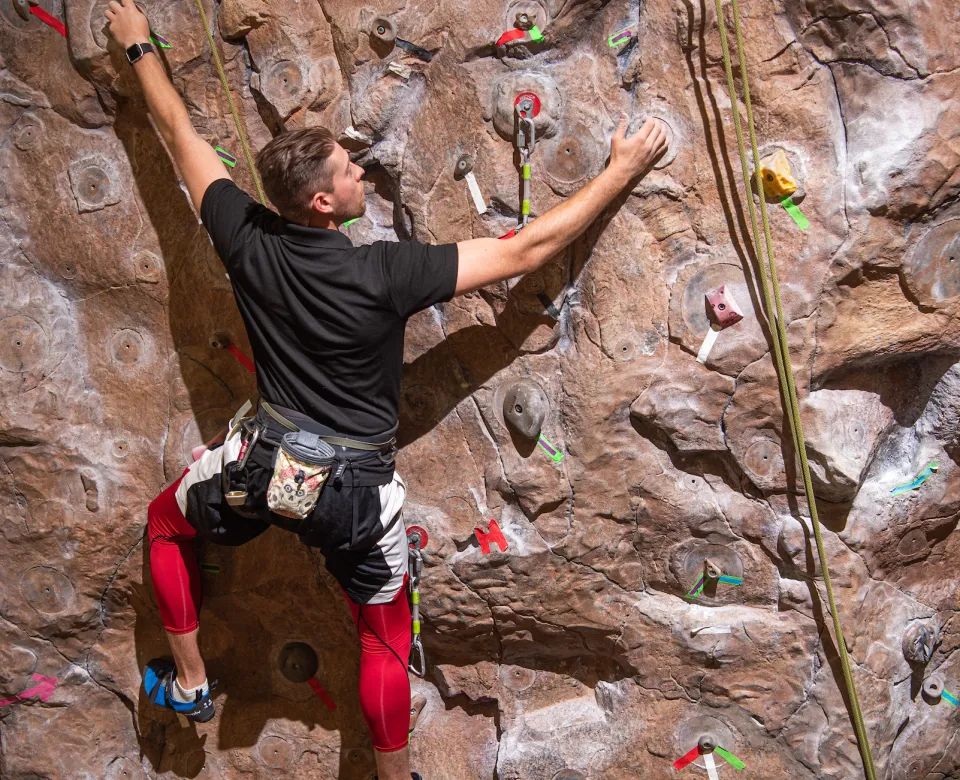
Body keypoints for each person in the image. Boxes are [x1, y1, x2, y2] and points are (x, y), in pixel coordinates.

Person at [104, 1, 668, 777]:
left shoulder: (244, 234)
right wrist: (622, 170)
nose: (361, 170)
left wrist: (137, 46)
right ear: (323, 203)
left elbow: (179, 135)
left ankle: (193, 683)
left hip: (262, 470)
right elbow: (528, 249)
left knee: (166, 524)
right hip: (355, 498)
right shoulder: (384, 274)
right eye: (348, 170)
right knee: (380, 639)